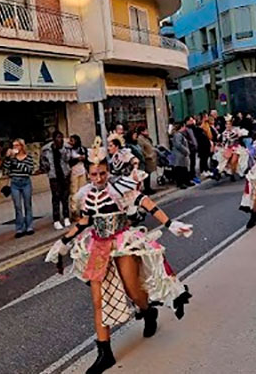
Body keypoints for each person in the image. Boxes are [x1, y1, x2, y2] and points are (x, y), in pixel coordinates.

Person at [44, 139, 193, 374]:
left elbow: (146, 202)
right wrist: (62, 242)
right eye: (93, 174)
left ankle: (148, 311)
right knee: (97, 301)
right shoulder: (85, 195)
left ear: (108, 171)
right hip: (98, 246)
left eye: (102, 173)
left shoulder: (120, 188)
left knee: (133, 290)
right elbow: (84, 221)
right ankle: (105, 352)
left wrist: (170, 223)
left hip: (122, 242)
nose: (98, 178)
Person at [3, 139, 35, 238]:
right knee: (17, 206)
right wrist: (8, 158)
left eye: (17, 145)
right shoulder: (12, 158)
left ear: (22, 146)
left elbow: (29, 170)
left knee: (27, 205)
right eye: (13, 146)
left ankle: (29, 226)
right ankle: (19, 228)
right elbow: (6, 169)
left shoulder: (28, 157)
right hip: (15, 182)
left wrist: (16, 163)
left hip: (25, 181)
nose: (15, 148)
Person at [41, 132, 72, 231]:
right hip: (54, 176)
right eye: (58, 138)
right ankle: (56, 220)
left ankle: (66, 217)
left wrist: (62, 150)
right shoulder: (46, 149)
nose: (60, 140)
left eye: (61, 138)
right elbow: (43, 161)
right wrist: (47, 169)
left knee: (65, 197)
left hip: (64, 174)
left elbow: (68, 159)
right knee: (56, 197)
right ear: (53, 139)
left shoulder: (66, 148)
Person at [213, 115, 250, 181]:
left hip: (236, 148)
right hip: (228, 149)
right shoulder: (224, 133)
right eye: (227, 124)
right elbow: (222, 142)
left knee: (234, 161)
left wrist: (240, 134)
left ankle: (233, 174)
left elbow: (245, 133)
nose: (228, 126)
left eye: (229, 124)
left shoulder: (236, 130)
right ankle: (220, 172)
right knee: (224, 161)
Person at [68, 135, 89, 219]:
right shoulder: (69, 150)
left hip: (82, 171)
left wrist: (84, 158)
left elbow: (87, 159)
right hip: (73, 172)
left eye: (72, 140)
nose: (71, 142)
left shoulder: (82, 149)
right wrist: (78, 159)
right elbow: (68, 162)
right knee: (74, 192)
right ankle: (74, 211)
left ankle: (82, 209)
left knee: (83, 191)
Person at [136, 128, 157, 195]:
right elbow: (141, 150)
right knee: (146, 174)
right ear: (142, 132)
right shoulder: (140, 139)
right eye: (145, 131)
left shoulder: (146, 138)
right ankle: (147, 188)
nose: (147, 132)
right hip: (147, 159)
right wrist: (147, 156)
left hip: (150, 158)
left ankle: (148, 188)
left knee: (149, 174)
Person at [170, 122, 192, 189]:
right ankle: (181, 183)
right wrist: (186, 150)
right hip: (179, 155)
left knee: (184, 168)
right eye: (184, 127)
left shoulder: (179, 135)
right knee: (180, 169)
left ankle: (186, 181)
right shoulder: (178, 135)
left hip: (181, 155)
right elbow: (178, 145)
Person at [182, 117, 199, 184]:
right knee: (190, 163)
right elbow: (186, 139)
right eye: (191, 121)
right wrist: (191, 143)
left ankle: (193, 174)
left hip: (193, 148)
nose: (192, 122)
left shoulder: (191, 129)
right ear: (187, 121)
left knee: (193, 162)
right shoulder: (185, 130)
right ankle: (190, 176)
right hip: (189, 149)